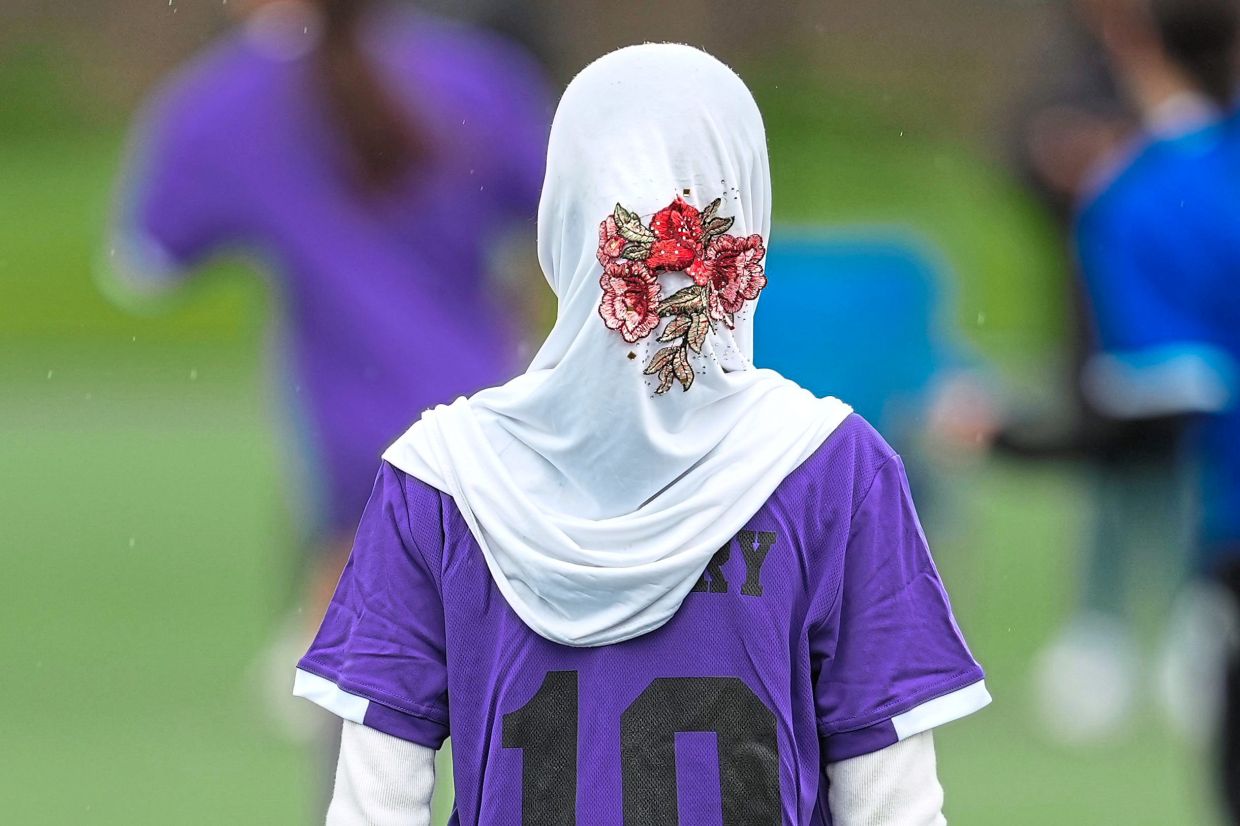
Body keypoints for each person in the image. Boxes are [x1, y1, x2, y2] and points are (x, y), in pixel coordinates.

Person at [293, 44, 989, 825]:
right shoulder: (832, 466)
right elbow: (893, 806)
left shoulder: (439, 473)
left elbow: (373, 805)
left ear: (562, 207)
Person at [106, 0, 548, 730]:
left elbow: (143, 263)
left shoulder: (223, 99)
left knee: (353, 716)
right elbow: (559, 213)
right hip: (495, 428)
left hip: (347, 449)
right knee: (513, 707)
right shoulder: (476, 73)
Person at [1074, 0, 1240, 816]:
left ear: (1138, 46)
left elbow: (1159, 394)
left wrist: (1010, 438)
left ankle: (1107, 635)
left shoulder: (1137, 198)